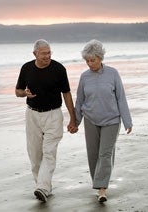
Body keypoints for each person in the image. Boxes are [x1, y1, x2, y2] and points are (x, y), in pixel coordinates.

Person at [15, 39, 78, 203]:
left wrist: (73, 118)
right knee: (35, 155)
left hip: (53, 115)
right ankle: (43, 187)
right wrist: (24, 94)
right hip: (32, 115)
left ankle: (42, 187)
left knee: (49, 152)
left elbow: (67, 94)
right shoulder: (26, 68)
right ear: (35, 53)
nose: (47, 56)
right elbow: (18, 91)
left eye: (49, 53)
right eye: (43, 53)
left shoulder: (58, 69)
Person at [75, 39, 133, 203]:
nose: (89, 63)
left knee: (105, 154)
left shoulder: (113, 73)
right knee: (93, 155)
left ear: (100, 58)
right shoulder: (84, 77)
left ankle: (102, 189)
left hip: (111, 120)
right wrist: (75, 122)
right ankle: (98, 183)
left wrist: (127, 121)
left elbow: (121, 98)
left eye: (92, 60)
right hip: (91, 119)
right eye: (87, 60)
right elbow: (80, 101)